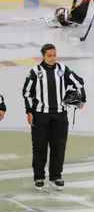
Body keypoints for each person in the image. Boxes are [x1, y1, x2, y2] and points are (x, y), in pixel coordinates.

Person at [22, 44, 86, 190]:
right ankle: (39, 177)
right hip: (40, 115)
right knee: (40, 147)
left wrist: (83, 99)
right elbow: (26, 93)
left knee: (58, 147)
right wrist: (29, 111)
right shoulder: (35, 72)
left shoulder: (63, 69)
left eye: (54, 55)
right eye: (49, 55)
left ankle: (56, 176)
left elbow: (79, 82)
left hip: (60, 115)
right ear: (43, 56)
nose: (52, 58)